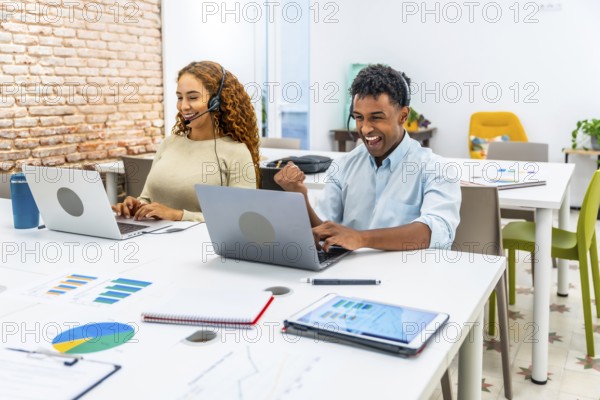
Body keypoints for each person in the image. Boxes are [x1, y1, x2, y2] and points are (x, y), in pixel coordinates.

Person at [275, 64, 460, 251]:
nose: (365, 128)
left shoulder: (435, 169)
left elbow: (434, 233)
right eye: (358, 117)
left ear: (403, 116)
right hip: (349, 274)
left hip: (409, 276)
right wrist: (299, 196)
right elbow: (325, 231)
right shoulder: (343, 165)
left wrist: (361, 238)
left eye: (376, 117)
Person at [112, 61, 259, 222]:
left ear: (217, 101)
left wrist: (179, 215)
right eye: (180, 98)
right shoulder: (169, 144)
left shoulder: (237, 152)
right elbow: (147, 198)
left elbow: (241, 217)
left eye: (193, 97)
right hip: (154, 239)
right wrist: (136, 207)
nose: (183, 106)